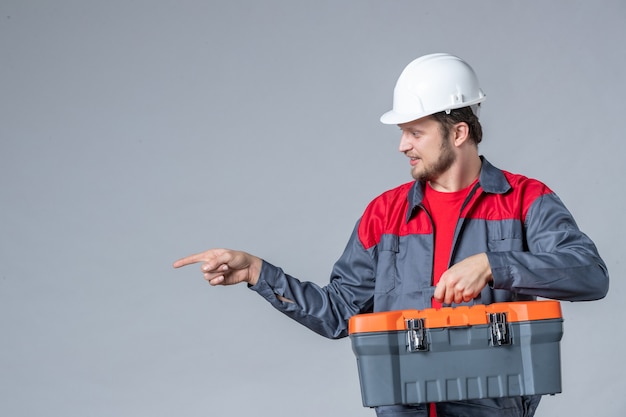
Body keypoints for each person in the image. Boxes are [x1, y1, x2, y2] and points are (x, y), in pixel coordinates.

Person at [173, 53, 609, 417]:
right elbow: (339, 312)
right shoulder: (385, 214)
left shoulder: (524, 200)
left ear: (458, 132)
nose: (402, 145)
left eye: (415, 132)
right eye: (403, 132)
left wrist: (495, 266)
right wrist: (255, 271)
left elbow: (590, 275)